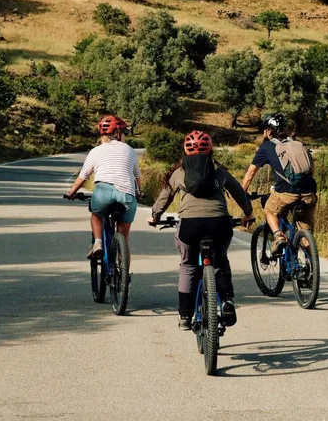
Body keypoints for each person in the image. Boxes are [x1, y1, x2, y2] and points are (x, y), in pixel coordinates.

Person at [149, 130, 253, 331]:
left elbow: (164, 198)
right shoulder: (219, 170)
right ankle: (228, 302)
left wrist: (155, 217)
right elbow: (238, 192)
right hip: (219, 224)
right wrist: (248, 213)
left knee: (188, 265)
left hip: (190, 227)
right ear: (210, 150)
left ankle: (185, 316)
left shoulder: (179, 173)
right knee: (220, 260)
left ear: (185, 151)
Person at [66, 115, 142, 260]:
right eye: (124, 133)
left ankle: (98, 243)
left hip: (103, 193)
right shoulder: (130, 150)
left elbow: (83, 176)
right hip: (126, 194)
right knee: (124, 239)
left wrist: (71, 192)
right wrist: (140, 192)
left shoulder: (95, 151)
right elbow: (137, 175)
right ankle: (124, 277)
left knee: (96, 214)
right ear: (118, 134)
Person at [241, 112, 317, 256]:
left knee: (270, 211)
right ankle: (311, 267)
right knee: (306, 232)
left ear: (269, 131)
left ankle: (278, 236)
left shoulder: (266, 147)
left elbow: (250, 173)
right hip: (309, 192)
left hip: (286, 192)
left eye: (265, 130)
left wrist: (243, 192)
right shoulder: (298, 144)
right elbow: (311, 169)